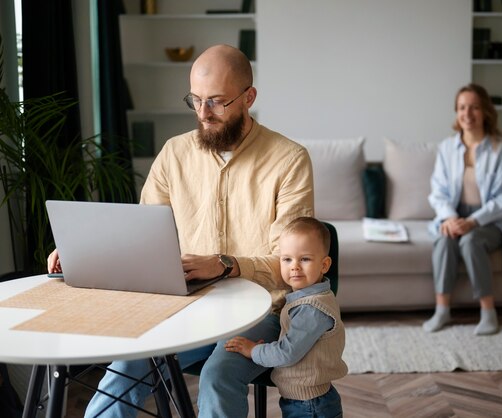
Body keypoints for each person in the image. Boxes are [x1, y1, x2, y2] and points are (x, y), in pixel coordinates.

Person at [47, 44, 314, 417]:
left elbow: (291, 266)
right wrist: (80, 252)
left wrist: (224, 264)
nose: (203, 114)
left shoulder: (289, 159)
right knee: (126, 367)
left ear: (249, 97)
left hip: (262, 310)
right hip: (185, 306)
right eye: (196, 100)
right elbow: (140, 236)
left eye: (217, 102)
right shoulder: (174, 153)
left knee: (218, 375)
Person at [423, 83, 502, 336]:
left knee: (470, 241)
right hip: (454, 213)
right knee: (444, 239)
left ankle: (488, 312)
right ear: (456, 112)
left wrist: (472, 221)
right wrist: (450, 218)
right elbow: (437, 190)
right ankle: (442, 310)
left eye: (474, 107)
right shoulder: (447, 148)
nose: (467, 114)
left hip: (491, 219)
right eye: (462, 107)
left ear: (485, 112)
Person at [225, 217, 347, 418]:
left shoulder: (312, 308)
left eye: (305, 259)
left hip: (310, 405)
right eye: (287, 259)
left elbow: (287, 353)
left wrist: (253, 350)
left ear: (324, 265)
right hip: (306, 401)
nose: (295, 267)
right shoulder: (309, 298)